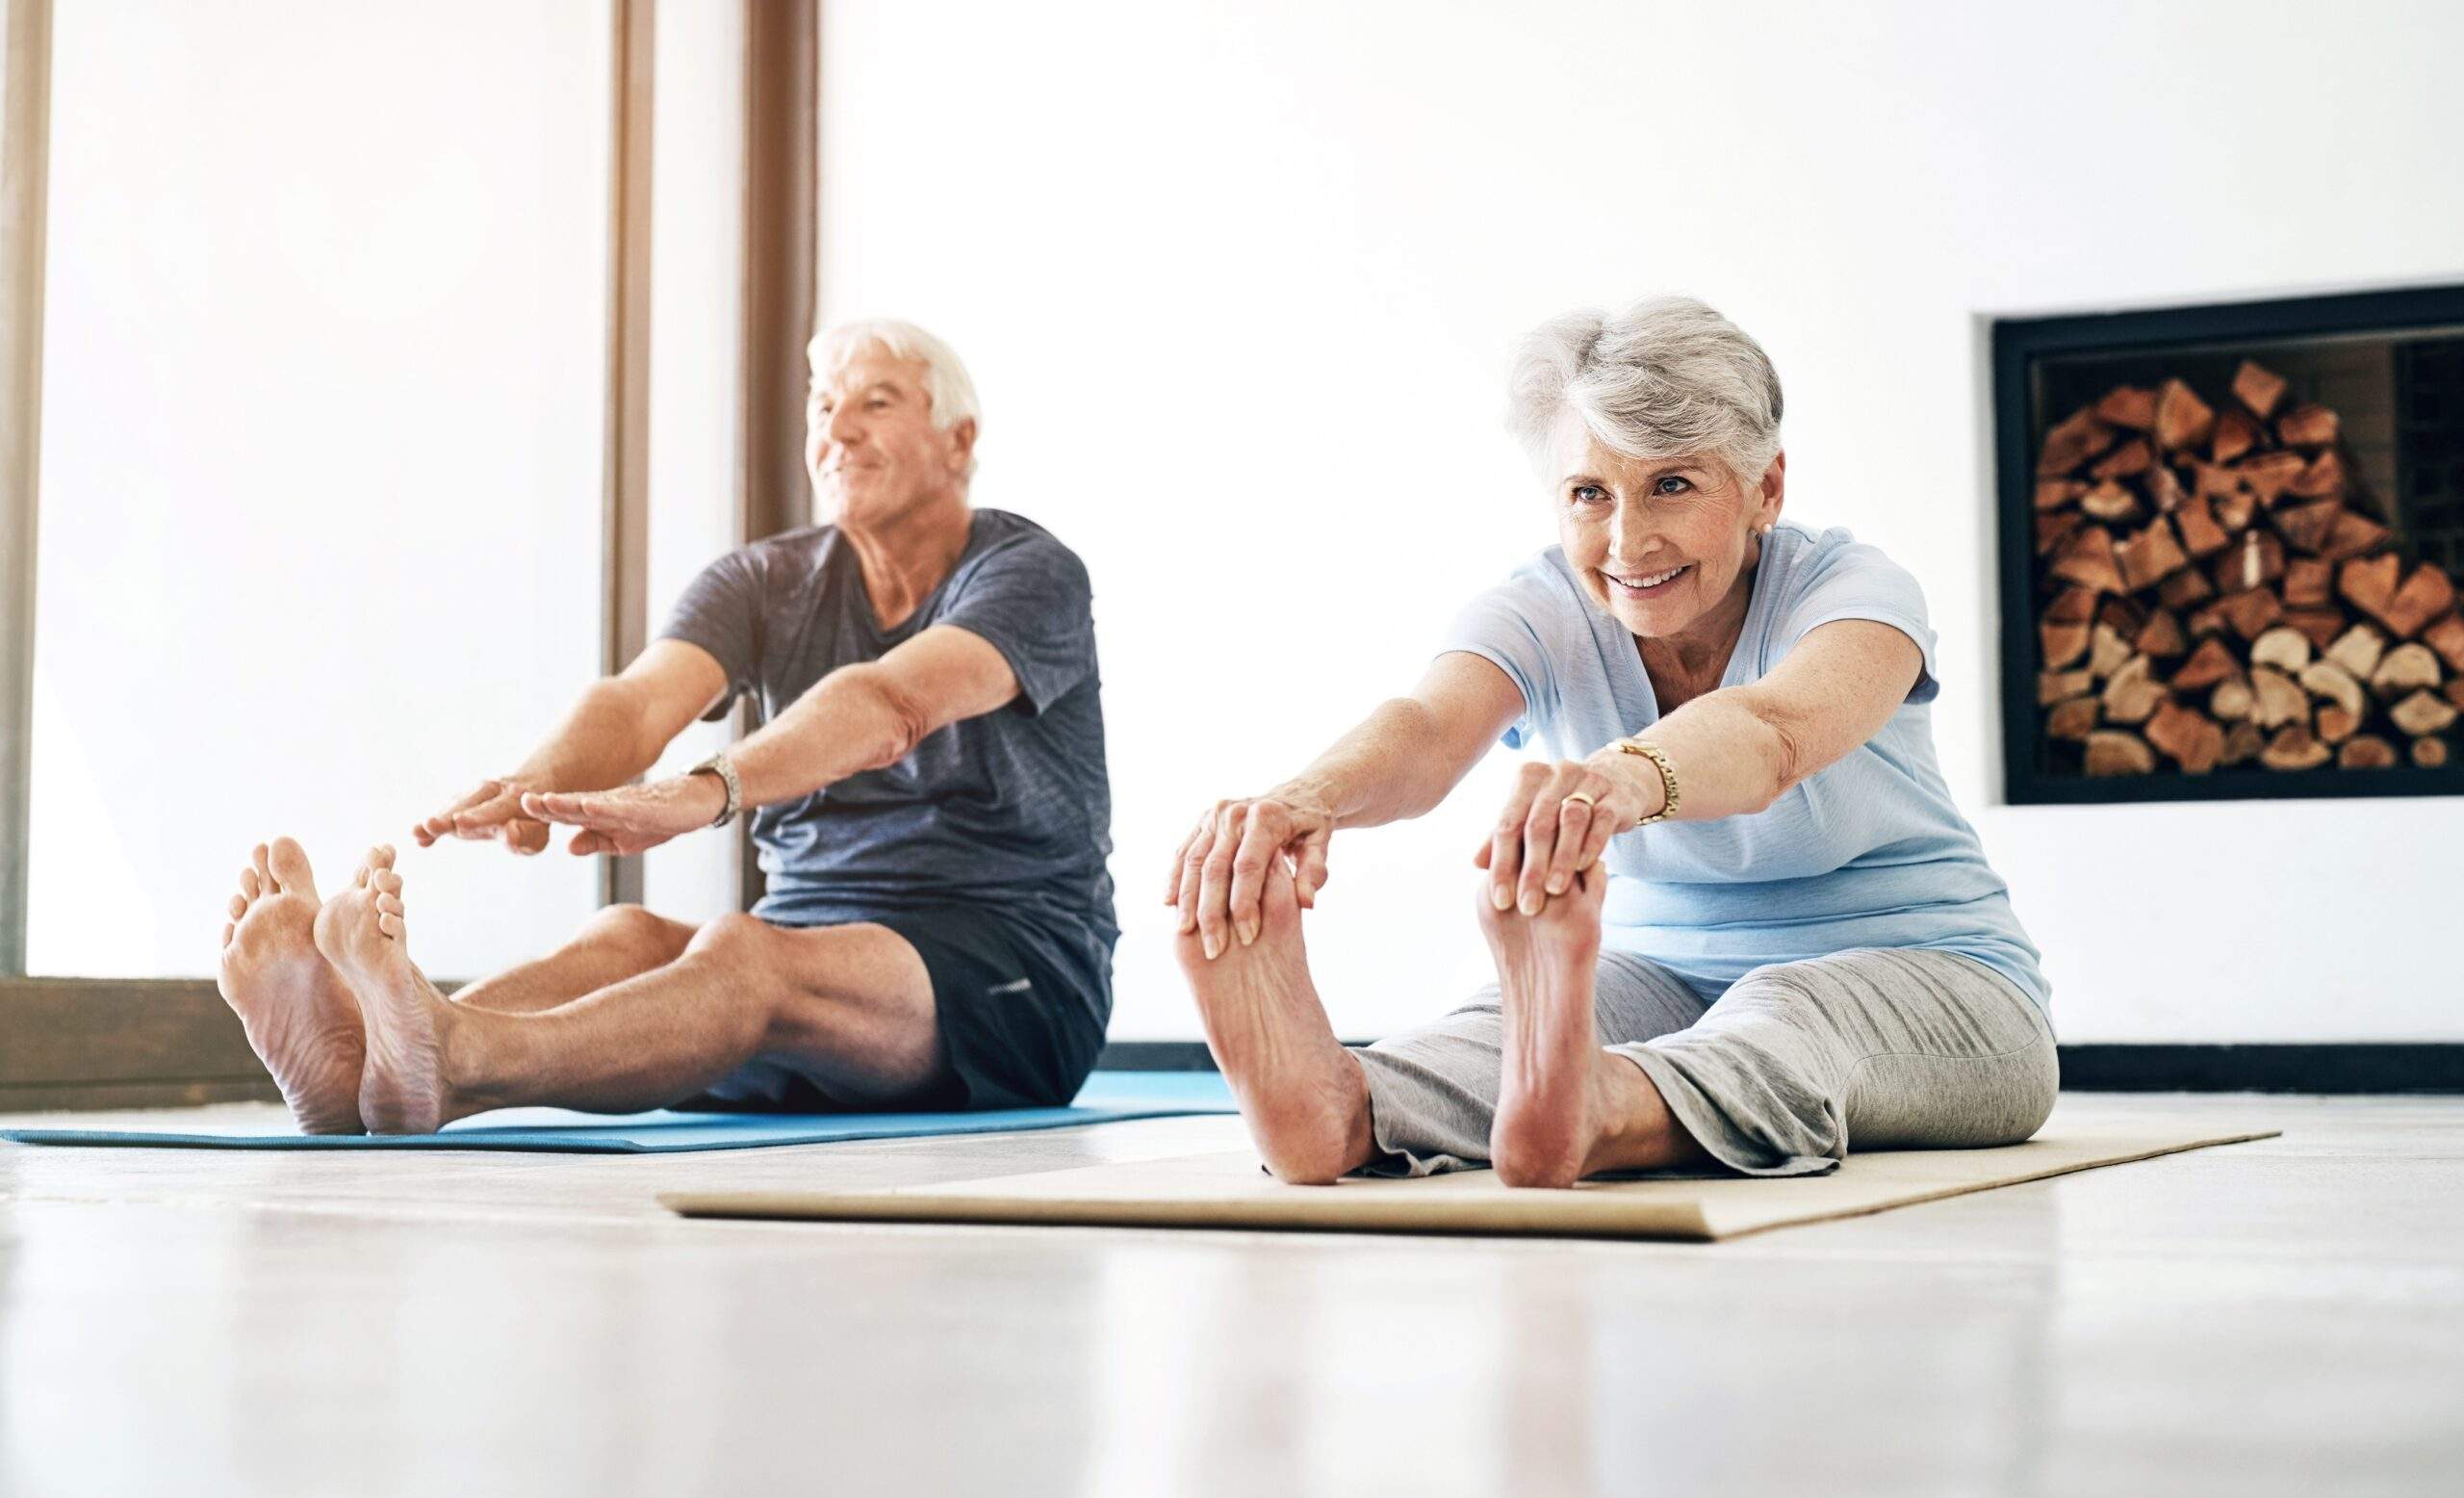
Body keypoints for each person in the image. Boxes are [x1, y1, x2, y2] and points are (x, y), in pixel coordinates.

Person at [1168, 296, 2054, 1187]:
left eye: (1672, 484)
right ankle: (1341, 1110)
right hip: (1654, 973)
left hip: (1941, 978)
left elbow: (1775, 734)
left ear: (1766, 489)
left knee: (1783, 1013)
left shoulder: (1855, 592)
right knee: (1496, 1035)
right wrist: (1305, 799)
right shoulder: (1544, 606)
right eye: (1590, 494)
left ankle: (1601, 1107)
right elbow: (1431, 728)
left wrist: (1622, 779)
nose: (1628, 541)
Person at [216, 320, 1115, 1134]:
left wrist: (705, 793)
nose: (836, 431)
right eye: (824, 405)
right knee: (629, 936)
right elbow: (640, 701)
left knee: (745, 956)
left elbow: (890, 705)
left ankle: (450, 1060)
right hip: (807, 953)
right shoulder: (766, 579)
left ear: (960, 441)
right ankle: (373, 1062)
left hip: (1012, 979)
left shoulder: (1030, 575)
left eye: (875, 404)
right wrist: (535, 785)